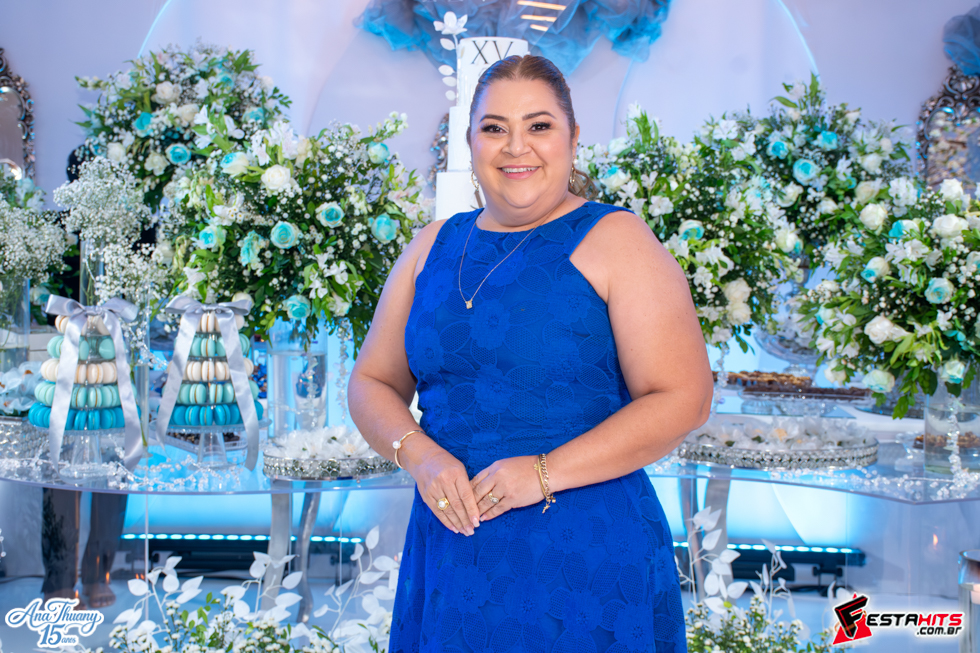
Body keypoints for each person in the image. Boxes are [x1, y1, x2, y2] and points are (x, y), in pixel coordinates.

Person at [349, 55, 712, 652]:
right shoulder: (432, 245)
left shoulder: (617, 239)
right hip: (452, 547)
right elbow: (371, 382)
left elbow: (684, 399)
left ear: (573, 136)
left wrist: (543, 473)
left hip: (583, 552)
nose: (516, 146)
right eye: (495, 128)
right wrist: (419, 455)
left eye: (539, 126)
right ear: (469, 141)